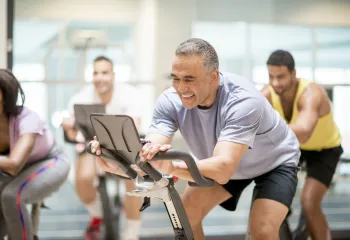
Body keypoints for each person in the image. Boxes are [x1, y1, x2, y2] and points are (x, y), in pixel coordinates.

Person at [89, 38, 301, 240]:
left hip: (274, 162)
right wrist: (123, 161)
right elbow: (153, 150)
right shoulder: (170, 101)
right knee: (187, 217)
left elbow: (224, 168)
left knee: (262, 230)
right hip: (222, 161)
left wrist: (171, 167)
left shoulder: (243, 100)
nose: (181, 88)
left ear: (213, 77)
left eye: (189, 79)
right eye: (176, 78)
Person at [261, 50, 343, 240]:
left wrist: (266, 131)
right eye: (271, 76)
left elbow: (304, 132)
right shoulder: (268, 93)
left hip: (325, 150)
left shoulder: (311, 94)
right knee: (273, 198)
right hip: (293, 148)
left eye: (280, 76)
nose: (275, 83)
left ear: (293, 73)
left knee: (309, 202)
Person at [61, 56, 142, 240]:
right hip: (93, 147)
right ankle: (97, 215)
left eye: (104, 72)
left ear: (113, 75)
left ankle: (132, 231)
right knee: (82, 178)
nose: (100, 77)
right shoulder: (82, 96)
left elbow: (135, 126)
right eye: (96, 73)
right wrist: (70, 127)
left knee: (134, 180)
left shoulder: (129, 94)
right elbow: (73, 132)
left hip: (122, 148)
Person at [0, 69, 70, 240]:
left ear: (4, 96)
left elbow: (14, 165)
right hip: (16, 168)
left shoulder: (28, 118)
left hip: (50, 161)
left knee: (12, 196)